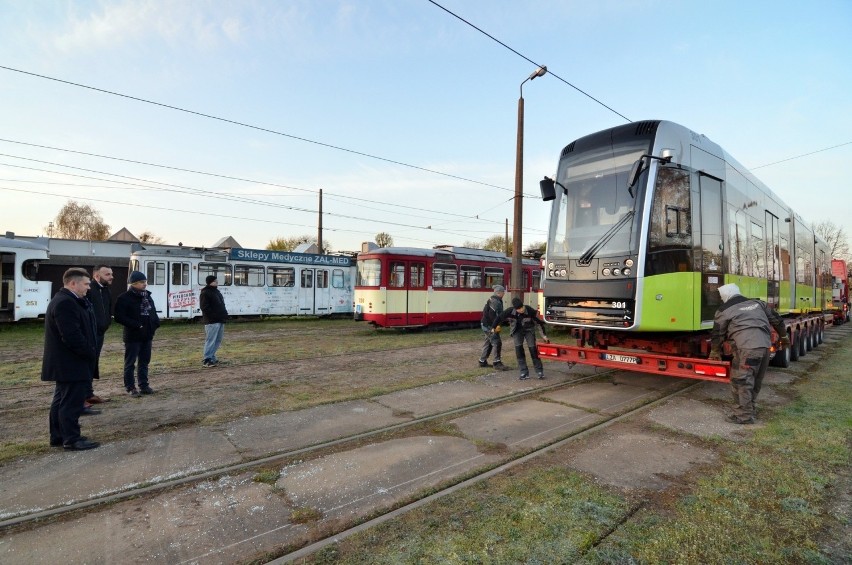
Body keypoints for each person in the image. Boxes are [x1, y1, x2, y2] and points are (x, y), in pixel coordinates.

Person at [710, 283, 789, 424]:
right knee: (756, 380)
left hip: (747, 350)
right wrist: (784, 337)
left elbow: (717, 333)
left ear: (725, 296)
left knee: (741, 381)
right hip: (764, 347)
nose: (722, 299)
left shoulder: (724, 310)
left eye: (722, 297)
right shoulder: (758, 303)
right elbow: (777, 320)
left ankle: (744, 416)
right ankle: (749, 410)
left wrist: (715, 351)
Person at [41, 268, 100, 450]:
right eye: (86, 284)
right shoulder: (65, 303)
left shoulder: (70, 301)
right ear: (73, 283)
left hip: (67, 363)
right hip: (70, 363)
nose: (88, 288)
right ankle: (72, 439)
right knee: (71, 402)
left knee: (61, 400)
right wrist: (89, 353)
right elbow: (72, 336)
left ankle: (59, 435)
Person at [114, 271, 160, 397]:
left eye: (145, 282)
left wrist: (156, 323)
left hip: (147, 335)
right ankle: (130, 387)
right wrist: (136, 324)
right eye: (142, 282)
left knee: (144, 362)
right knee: (130, 363)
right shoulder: (124, 298)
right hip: (133, 336)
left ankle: (144, 385)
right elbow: (119, 316)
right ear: (134, 283)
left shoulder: (147, 296)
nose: (145, 284)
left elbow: (152, 311)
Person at [492, 297, 550, 380]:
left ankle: (539, 371)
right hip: (517, 332)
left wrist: (544, 336)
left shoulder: (530, 311)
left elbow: (539, 323)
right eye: (518, 309)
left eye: (522, 307)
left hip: (529, 331)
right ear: (515, 309)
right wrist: (493, 327)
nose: (521, 310)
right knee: (519, 350)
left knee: (533, 349)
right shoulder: (510, 311)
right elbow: (499, 318)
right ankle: (524, 372)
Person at [84, 264, 114, 408]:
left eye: (111, 274)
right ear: (97, 276)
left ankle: (89, 394)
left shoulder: (106, 290)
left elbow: (108, 309)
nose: (111, 277)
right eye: (107, 274)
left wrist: (106, 322)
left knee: (93, 362)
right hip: (89, 334)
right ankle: (83, 396)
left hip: (100, 333)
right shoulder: (89, 290)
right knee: (86, 363)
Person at [200, 275, 228, 367]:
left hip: (219, 319)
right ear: (210, 282)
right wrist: (214, 315)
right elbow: (204, 307)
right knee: (211, 340)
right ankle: (207, 359)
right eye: (215, 281)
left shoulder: (216, 292)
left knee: (218, 340)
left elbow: (221, 305)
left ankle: (212, 356)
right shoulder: (205, 292)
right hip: (212, 321)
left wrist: (224, 314)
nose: (217, 282)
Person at [478, 285, 507, 370]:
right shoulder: (495, 301)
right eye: (503, 292)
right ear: (498, 292)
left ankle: (482, 361)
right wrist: (495, 326)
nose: (504, 293)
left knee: (488, 343)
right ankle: (497, 362)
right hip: (489, 326)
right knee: (496, 342)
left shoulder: (495, 300)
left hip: (486, 324)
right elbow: (492, 315)